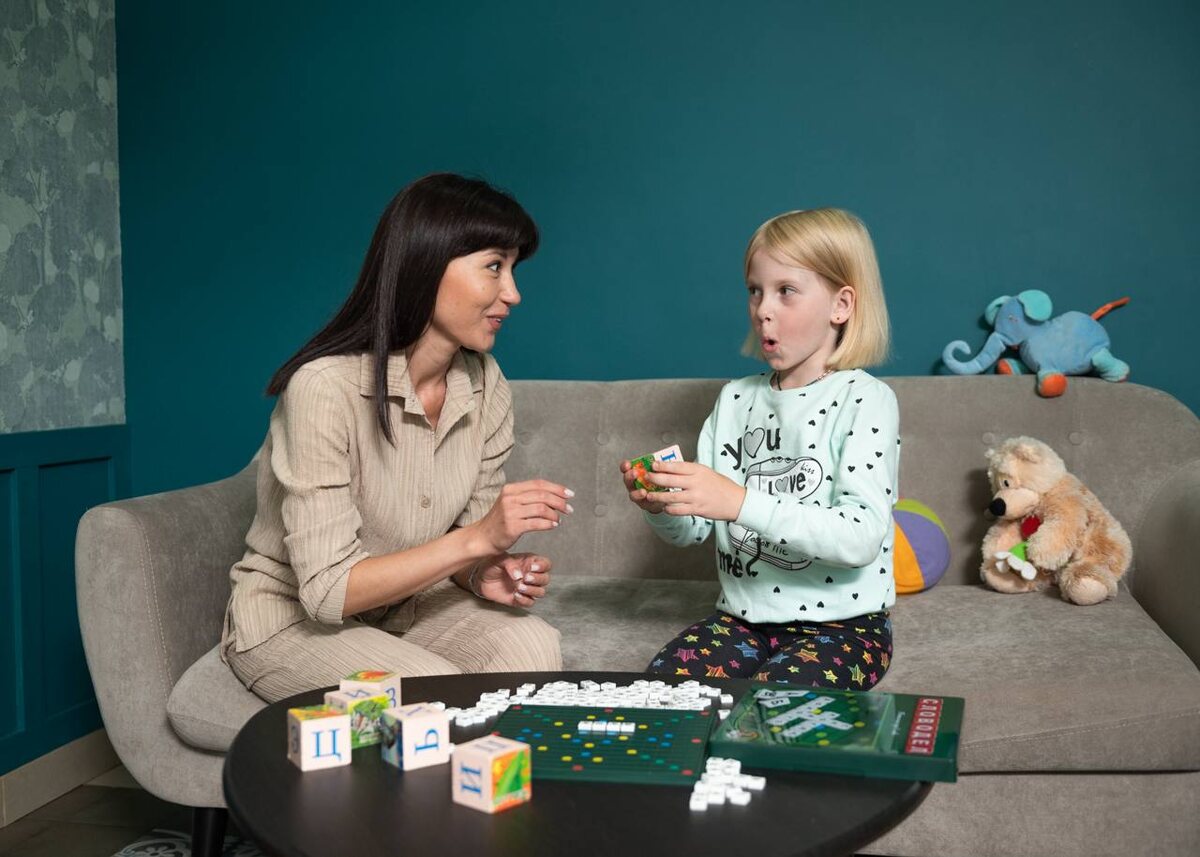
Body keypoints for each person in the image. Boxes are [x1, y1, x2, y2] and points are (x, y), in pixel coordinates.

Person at [222, 173, 572, 702]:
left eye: (514, 269)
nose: (513, 293)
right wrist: (479, 540)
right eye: (494, 266)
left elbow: (462, 542)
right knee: (434, 695)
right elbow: (327, 592)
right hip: (292, 621)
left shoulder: (486, 384)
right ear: (427, 263)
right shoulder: (323, 387)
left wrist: (480, 573)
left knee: (533, 645)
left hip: (407, 609)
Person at [622, 208, 898, 688]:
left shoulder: (865, 400)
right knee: (663, 696)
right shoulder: (735, 399)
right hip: (741, 621)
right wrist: (661, 505)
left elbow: (860, 538)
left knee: (774, 708)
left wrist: (741, 502)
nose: (762, 309)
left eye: (785, 290)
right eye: (755, 290)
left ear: (841, 305)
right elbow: (693, 530)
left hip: (845, 628)